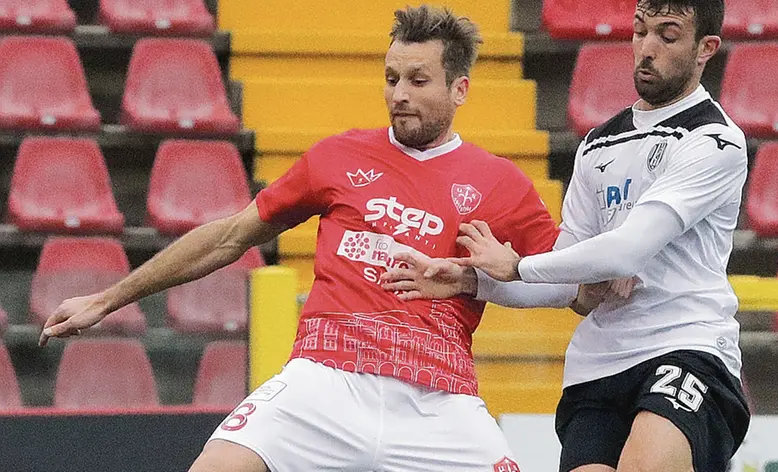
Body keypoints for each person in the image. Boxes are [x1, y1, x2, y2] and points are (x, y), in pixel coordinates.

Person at [36, 5, 621, 472]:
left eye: (419, 80)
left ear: (460, 89)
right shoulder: (338, 156)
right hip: (324, 379)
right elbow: (229, 237)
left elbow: (581, 292)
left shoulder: (502, 184)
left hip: (438, 398)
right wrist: (104, 299)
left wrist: (504, 269)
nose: (399, 94)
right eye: (391, 78)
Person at [382, 1, 751, 471]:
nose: (646, 48)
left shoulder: (714, 140)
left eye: (668, 35)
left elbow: (626, 251)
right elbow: (570, 280)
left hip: (685, 348)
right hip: (598, 366)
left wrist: (516, 265)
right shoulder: (598, 143)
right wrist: (473, 281)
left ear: (706, 48)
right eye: (640, 31)